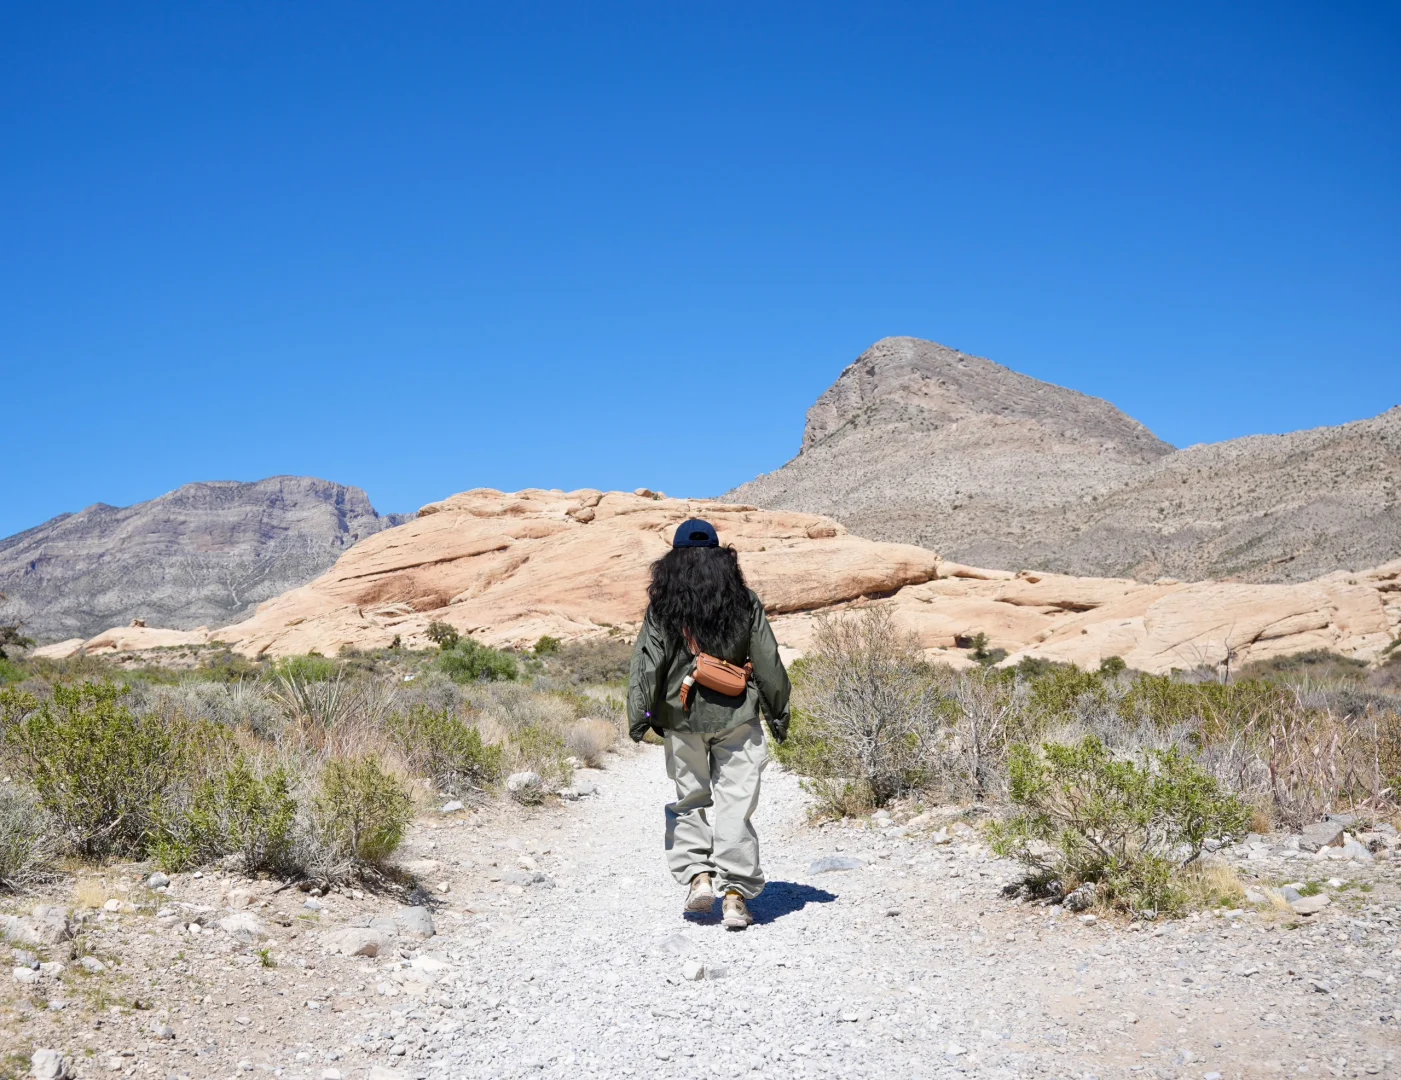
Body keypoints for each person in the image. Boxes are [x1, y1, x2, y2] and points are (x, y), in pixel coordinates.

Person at [626, 517, 791, 930]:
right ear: (722, 556)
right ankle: (735, 896)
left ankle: (699, 876)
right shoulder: (743, 600)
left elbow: (648, 663)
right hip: (737, 715)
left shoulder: (663, 604)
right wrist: (778, 711)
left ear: (673, 560)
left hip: (681, 719)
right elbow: (767, 660)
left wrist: (640, 715)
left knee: (689, 800)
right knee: (736, 803)